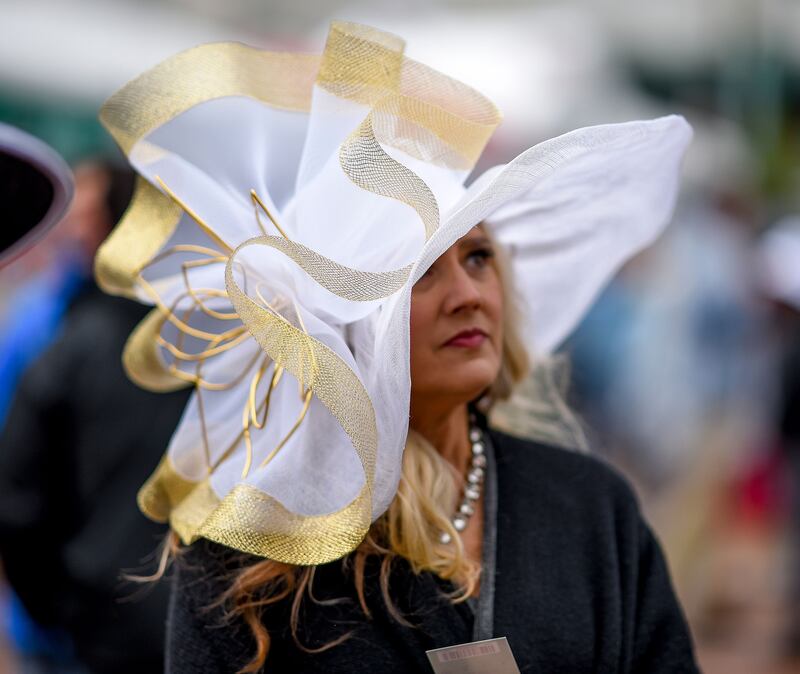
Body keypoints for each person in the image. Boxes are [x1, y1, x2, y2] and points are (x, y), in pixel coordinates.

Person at [94, 21, 699, 672]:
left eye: (478, 258)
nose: (468, 294)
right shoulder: (249, 557)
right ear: (338, 319)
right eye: (419, 273)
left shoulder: (590, 507)